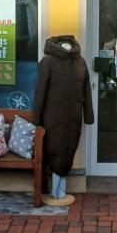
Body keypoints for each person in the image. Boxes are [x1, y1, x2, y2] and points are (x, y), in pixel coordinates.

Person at [32, 35, 94, 206]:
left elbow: (87, 91)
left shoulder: (80, 62)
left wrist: (88, 116)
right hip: (53, 118)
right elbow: (40, 92)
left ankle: (59, 192)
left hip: (73, 118)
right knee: (55, 149)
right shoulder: (48, 62)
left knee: (69, 149)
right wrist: (36, 121)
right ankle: (56, 192)